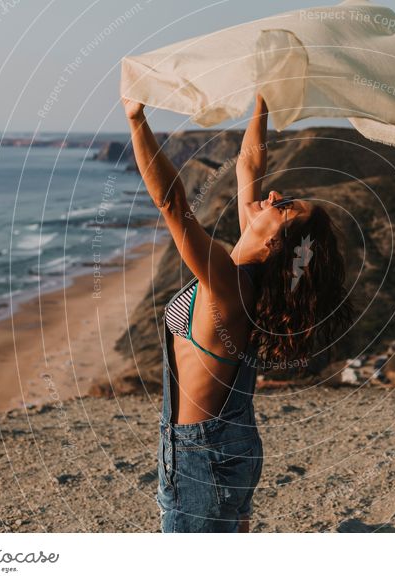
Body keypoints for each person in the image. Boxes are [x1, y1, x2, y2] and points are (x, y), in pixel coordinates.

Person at [122, 93, 355, 532]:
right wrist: (265, 95)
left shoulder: (229, 290)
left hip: (201, 454)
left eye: (284, 208)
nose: (273, 196)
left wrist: (137, 120)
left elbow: (173, 205)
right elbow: (249, 166)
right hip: (232, 444)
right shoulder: (252, 280)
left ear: (274, 245)